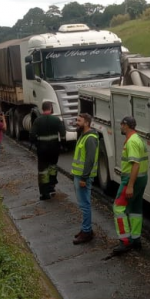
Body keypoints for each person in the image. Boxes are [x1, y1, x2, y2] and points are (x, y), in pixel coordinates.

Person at [112, 116, 148, 255]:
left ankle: (125, 242)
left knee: (118, 208)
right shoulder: (138, 139)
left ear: (126, 125)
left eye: (121, 124)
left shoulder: (132, 142)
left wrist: (130, 185)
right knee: (135, 209)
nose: (120, 127)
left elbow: (135, 164)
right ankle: (136, 238)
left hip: (131, 180)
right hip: (142, 179)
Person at [71, 113, 99, 244]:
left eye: (79, 121)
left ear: (87, 123)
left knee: (85, 205)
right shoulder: (84, 136)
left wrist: (83, 178)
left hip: (83, 177)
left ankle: (86, 232)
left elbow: (89, 160)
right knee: (83, 204)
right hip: (80, 175)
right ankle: (86, 229)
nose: (77, 122)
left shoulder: (90, 139)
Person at [30, 101, 66, 200]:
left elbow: (32, 135)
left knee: (43, 170)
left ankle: (44, 193)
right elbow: (62, 134)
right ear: (51, 109)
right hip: (54, 149)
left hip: (42, 149)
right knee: (53, 167)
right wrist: (61, 145)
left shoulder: (38, 120)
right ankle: (52, 187)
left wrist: (37, 144)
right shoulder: (56, 120)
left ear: (42, 109)